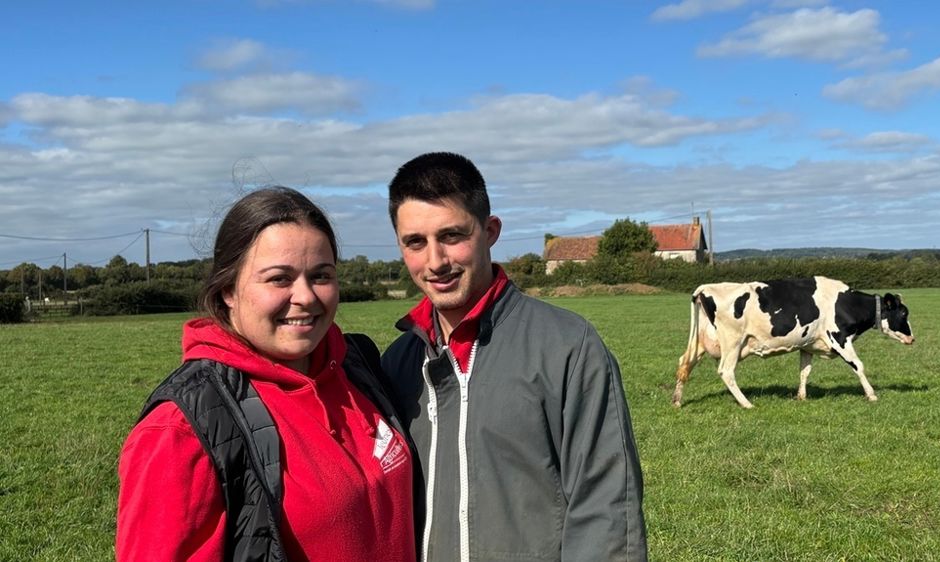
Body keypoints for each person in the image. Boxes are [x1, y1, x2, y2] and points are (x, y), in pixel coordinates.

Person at [117, 186, 416, 562]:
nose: (306, 296)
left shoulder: (357, 366)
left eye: (321, 276)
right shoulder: (181, 431)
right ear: (228, 290)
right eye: (279, 279)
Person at [382, 152, 648, 562]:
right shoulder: (397, 363)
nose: (435, 261)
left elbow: (606, 509)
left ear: (490, 231)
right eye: (415, 242)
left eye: (452, 236)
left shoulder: (568, 346)